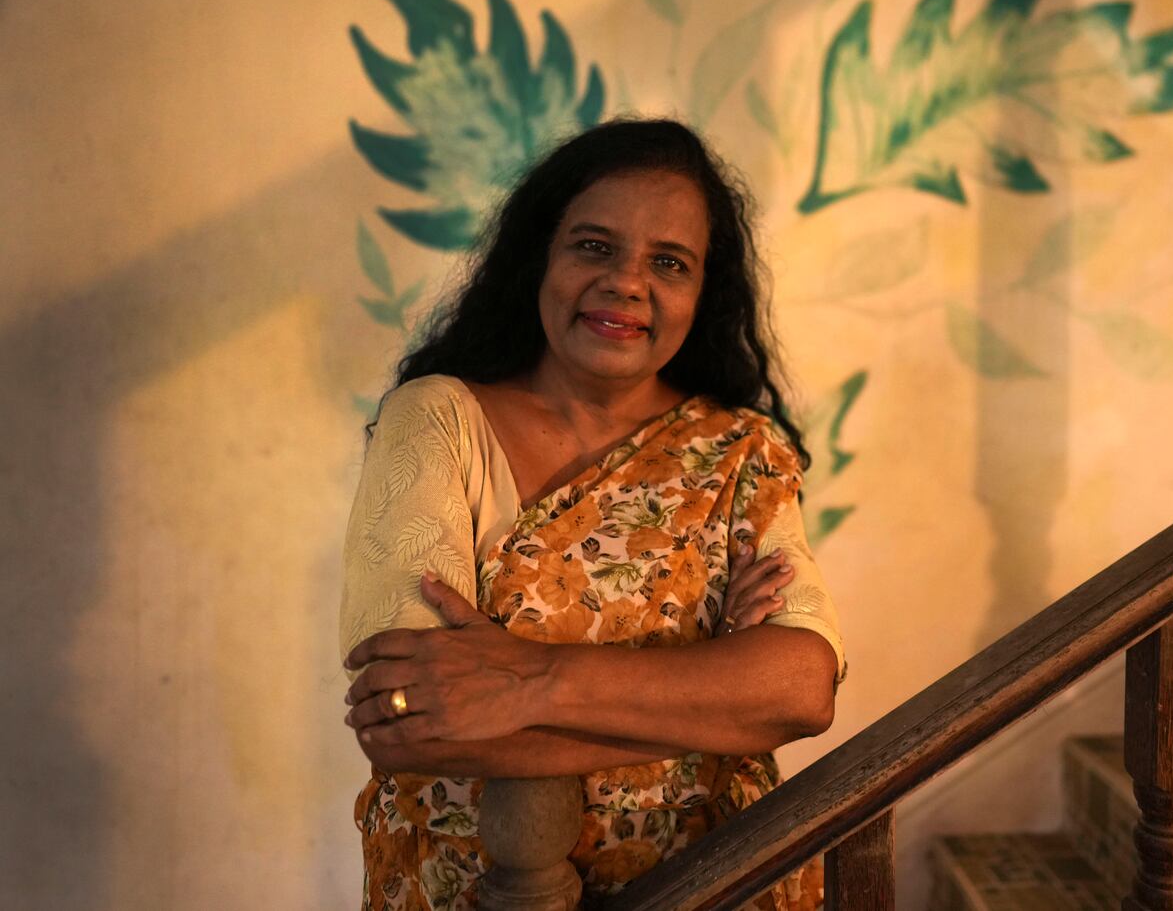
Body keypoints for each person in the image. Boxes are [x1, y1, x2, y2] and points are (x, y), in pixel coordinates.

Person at [337, 119, 845, 910]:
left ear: (702, 291)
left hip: (712, 881)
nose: (626, 283)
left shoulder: (740, 450)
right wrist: (719, 710)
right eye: (594, 247)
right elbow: (407, 721)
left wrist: (527, 678)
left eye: (668, 262)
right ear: (542, 255)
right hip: (470, 887)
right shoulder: (437, 422)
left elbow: (803, 689)